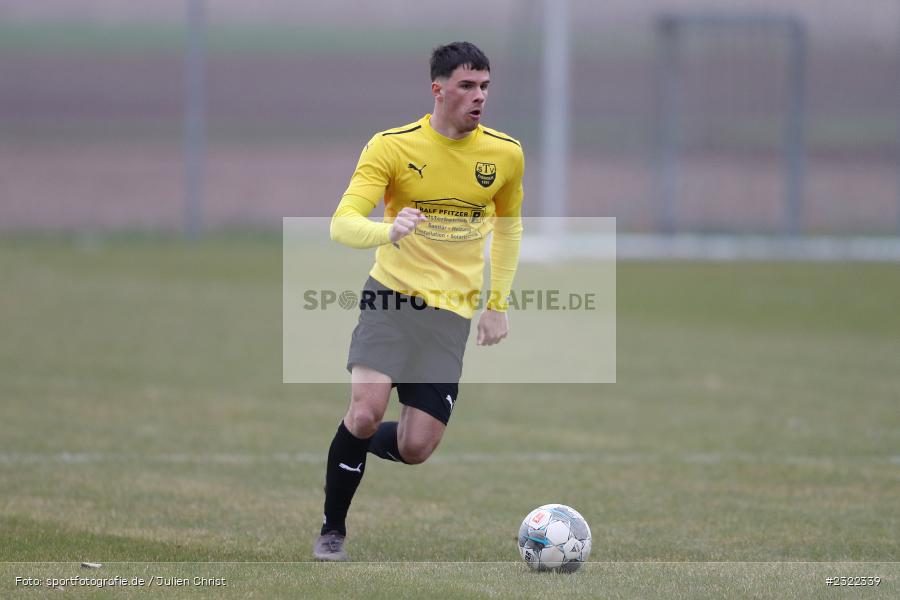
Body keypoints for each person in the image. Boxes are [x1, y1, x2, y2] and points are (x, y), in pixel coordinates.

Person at [314, 41, 524, 561]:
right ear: (438, 90)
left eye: (485, 86)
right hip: (391, 299)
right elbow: (342, 224)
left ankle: (350, 442)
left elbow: (509, 229)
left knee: (415, 447)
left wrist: (497, 303)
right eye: (467, 86)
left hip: (450, 314)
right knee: (366, 410)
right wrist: (386, 231)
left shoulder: (505, 154)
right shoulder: (391, 146)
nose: (479, 96)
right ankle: (332, 530)